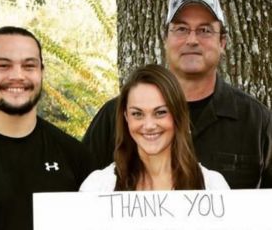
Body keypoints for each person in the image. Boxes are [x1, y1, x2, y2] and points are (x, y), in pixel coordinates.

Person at [83, 0, 272, 189]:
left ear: (222, 42)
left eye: (204, 30)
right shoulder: (113, 116)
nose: (192, 40)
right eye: (181, 29)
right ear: (165, 39)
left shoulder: (258, 123)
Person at [0, 26, 96, 230]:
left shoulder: (76, 157)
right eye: (3, 65)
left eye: (29, 66)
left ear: (41, 72)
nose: (18, 76)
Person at [80, 65, 229, 191]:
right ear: (126, 117)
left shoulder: (213, 186)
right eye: (137, 114)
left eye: (160, 113)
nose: (149, 125)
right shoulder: (98, 187)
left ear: (178, 114)